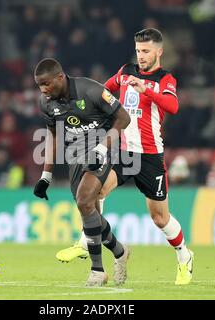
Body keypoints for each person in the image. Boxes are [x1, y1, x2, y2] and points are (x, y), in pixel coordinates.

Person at [56, 28, 194, 285]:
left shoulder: (166, 80)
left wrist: (145, 90)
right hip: (124, 153)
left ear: (159, 52)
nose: (141, 56)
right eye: (138, 51)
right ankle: (86, 240)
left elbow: (173, 106)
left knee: (160, 218)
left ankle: (184, 256)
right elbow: (102, 91)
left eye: (146, 51)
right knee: (95, 192)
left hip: (151, 156)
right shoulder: (125, 72)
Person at [32, 58, 131, 287]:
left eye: (46, 83)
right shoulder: (46, 102)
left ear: (60, 77)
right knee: (89, 211)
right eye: (39, 85)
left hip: (105, 148)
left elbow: (123, 118)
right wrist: (46, 175)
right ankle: (120, 251)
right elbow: (54, 135)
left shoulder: (91, 90)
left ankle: (97, 271)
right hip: (75, 156)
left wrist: (102, 147)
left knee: (84, 200)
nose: (43, 89)